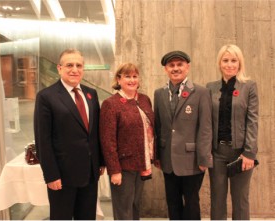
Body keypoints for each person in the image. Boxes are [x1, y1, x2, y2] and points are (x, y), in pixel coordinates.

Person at [34, 49, 105, 220]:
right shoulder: (46, 96)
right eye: (69, 65)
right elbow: (43, 140)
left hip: (89, 172)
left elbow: (95, 132)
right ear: (59, 68)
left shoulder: (91, 94)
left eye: (79, 65)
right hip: (63, 175)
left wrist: (100, 161)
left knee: (87, 217)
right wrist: (51, 175)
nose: (75, 69)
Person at [154, 50, 213, 220]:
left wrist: (204, 158)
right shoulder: (159, 94)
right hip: (167, 160)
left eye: (179, 65)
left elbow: (205, 127)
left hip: (192, 159)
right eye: (171, 65)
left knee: (192, 202)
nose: (175, 68)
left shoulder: (201, 92)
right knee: (172, 202)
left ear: (187, 67)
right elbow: (158, 127)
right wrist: (157, 155)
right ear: (166, 69)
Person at [206, 44, 259, 220]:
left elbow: (252, 121)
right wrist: (206, 152)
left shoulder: (249, 86)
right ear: (220, 63)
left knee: (241, 200)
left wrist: (249, 153)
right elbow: (206, 123)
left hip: (240, 154)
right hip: (217, 153)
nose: (229, 64)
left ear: (240, 63)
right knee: (217, 200)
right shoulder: (210, 88)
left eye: (233, 60)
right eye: (225, 60)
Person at [99, 63, 155, 220]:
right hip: (123, 166)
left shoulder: (144, 99)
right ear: (119, 79)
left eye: (135, 76)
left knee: (136, 206)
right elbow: (107, 140)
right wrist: (114, 170)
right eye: (127, 76)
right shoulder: (111, 104)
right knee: (123, 209)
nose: (132, 80)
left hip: (143, 162)